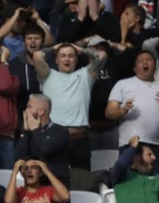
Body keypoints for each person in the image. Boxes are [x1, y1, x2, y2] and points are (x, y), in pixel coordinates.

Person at [33, 42, 106, 170]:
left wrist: (81, 49)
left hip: (79, 140)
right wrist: (55, 47)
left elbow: (102, 56)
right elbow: (37, 56)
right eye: (63, 55)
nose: (67, 59)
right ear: (56, 60)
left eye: (71, 56)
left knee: (82, 182)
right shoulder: (47, 75)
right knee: (54, 180)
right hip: (54, 138)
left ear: (76, 59)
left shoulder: (86, 75)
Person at [15, 94, 70, 188]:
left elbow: (46, 149)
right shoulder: (29, 133)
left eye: (29, 107)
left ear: (41, 111)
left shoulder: (61, 131)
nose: (25, 111)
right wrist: (26, 132)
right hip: (34, 186)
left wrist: (35, 130)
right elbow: (20, 158)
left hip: (56, 185)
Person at [4, 158, 70, 203]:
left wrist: (47, 171)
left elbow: (65, 197)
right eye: (26, 168)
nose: (29, 171)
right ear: (22, 173)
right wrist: (14, 172)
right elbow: (9, 201)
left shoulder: (48, 190)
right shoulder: (18, 192)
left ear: (40, 172)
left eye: (34, 168)